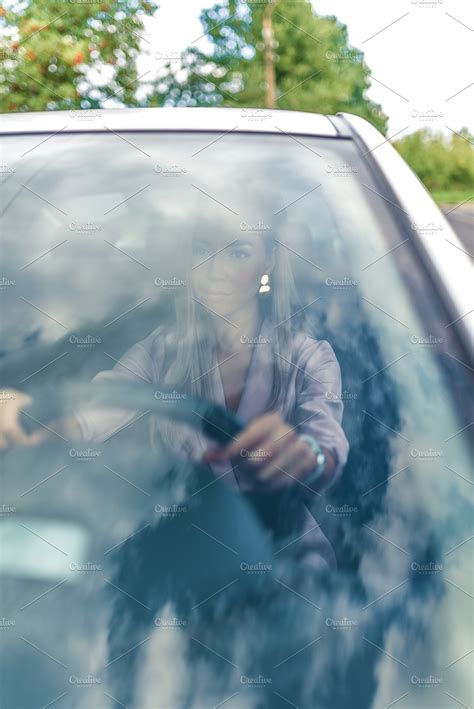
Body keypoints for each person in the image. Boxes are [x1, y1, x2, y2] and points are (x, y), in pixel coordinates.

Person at [0, 218, 349, 569]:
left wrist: (305, 456)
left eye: (238, 253)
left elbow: (327, 449)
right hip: (184, 552)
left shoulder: (309, 358)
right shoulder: (160, 351)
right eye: (201, 251)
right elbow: (95, 408)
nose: (214, 272)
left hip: (285, 559)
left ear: (268, 263)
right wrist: (34, 417)